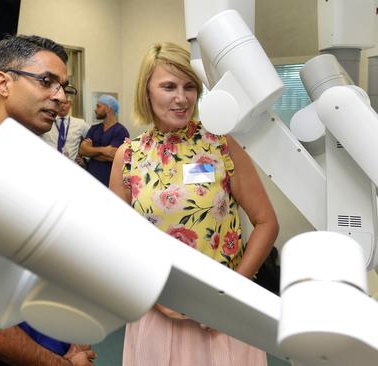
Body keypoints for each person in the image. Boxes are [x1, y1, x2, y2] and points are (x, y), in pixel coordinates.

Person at [109, 42, 279, 366]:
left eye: (189, 87)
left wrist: (229, 294)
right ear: (146, 91)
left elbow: (266, 222)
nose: (182, 97)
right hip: (156, 310)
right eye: (168, 86)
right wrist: (157, 295)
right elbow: (117, 241)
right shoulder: (129, 156)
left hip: (221, 316)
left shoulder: (221, 146)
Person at [0, 34, 96, 366]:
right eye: (46, 81)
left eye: (63, 87)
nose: (58, 97)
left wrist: (72, 337)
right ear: (3, 83)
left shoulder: (43, 167)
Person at [80, 94, 129, 186]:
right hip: (91, 178)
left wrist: (92, 154)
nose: (95, 109)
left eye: (98, 106)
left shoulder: (121, 131)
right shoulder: (94, 128)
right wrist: (104, 150)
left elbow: (113, 157)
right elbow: (82, 150)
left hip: (109, 180)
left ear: (108, 109)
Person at [42, 95, 90, 167]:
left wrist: (85, 159)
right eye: (60, 103)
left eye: (66, 103)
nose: (62, 106)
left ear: (71, 104)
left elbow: (94, 139)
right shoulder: (45, 121)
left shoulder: (80, 123)